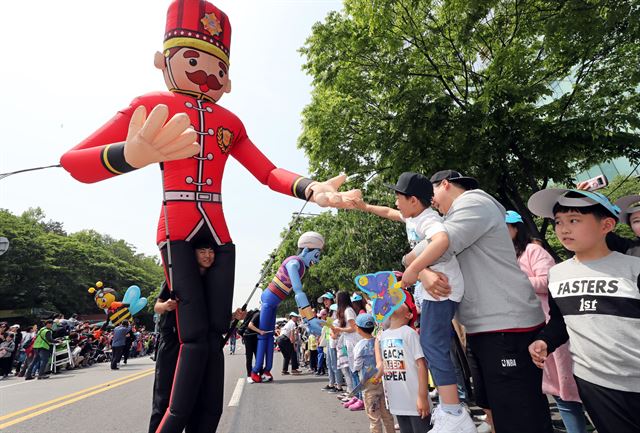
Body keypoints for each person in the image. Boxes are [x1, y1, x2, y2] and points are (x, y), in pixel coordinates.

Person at [59, 1, 358, 431]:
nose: (204, 73)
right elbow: (73, 161)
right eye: (192, 59)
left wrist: (311, 188)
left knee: (215, 334)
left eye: (216, 66)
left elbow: (267, 170)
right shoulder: (148, 104)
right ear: (164, 61)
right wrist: (132, 153)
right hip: (177, 226)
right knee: (192, 336)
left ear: (229, 79)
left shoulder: (230, 121)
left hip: (218, 229)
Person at [412, 170, 551, 433]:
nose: (431, 202)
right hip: (487, 326)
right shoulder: (457, 213)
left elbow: (438, 245)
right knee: (498, 409)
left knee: (519, 415)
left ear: (445, 184)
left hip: (506, 324)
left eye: (432, 194)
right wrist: (423, 270)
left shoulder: (473, 203)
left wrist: (412, 264)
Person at [356, 171, 475, 432]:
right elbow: (388, 212)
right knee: (433, 345)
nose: (396, 202)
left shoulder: (428, 220)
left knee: (433, 346)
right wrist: (364, 206)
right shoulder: (413, 217)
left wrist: (414, 269)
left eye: (399, 197)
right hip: (432, 290)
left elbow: (442, 240)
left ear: (413, 200)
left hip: (443, 289)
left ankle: (453, 412)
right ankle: (450, 407)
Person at [527, 189, 640, 433]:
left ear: (606, 225)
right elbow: (561, 322)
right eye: (558, 222)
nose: (563, 229)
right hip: (595, 383)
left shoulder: (634, 268)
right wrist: (545, 341)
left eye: (574, 221)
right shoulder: (557, 274)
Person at [505, 210, 587, 433]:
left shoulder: (533, 251)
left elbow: (548, 281)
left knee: (569, 385)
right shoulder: (505, 255)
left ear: (516, 228)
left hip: (549, 323)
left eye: (505, 227)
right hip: (527, 326)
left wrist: (515, 282)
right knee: (555, 387)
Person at [149, 240, 215, 433]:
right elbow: (157, 306)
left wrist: (233, 316)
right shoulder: (178, 277)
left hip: (198, 345)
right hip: (173, 343)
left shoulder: (215, 281)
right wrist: (168, 305)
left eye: (211, 251)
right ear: (193, 254)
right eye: (202, 250)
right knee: (164, 397)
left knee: (193, 396)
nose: (207, 255)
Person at [251, 232, 325, 383]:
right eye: (316, 256)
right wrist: (309, 318)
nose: (316, 261)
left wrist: (307, 318)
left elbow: (299, 295)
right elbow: (298, 291)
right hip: (268, 302)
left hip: (274, 303)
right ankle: (255, 370)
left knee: (269, 334)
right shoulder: (294, 263)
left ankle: (267, 370)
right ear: (306, 250)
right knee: (263, 335)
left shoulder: (300, 267)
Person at [375, 290, 431, 433]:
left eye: (403, 302)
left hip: (415, 401)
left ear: (409, 315)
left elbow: (421, 366)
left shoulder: (409, 333)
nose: (397, 302)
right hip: (397, 401)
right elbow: (386, 364)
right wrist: (376, 375)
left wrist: (422, 397)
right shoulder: (384, 335)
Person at [354, 312, 395, 432]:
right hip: (382, 380)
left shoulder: (359, 346)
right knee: (387, 415)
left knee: (374, 417)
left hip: (368, 383)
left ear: (358, 328)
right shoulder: (379, 341)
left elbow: (356, 366)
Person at [241, 308, 265, 382]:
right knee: (249, 356)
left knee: (258, 355)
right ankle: (249, 376)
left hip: (254, 336)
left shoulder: (262, 315)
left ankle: (261, 374)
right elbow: (250, 325)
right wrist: (260, 331)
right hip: (248, 337)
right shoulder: (258, 314)